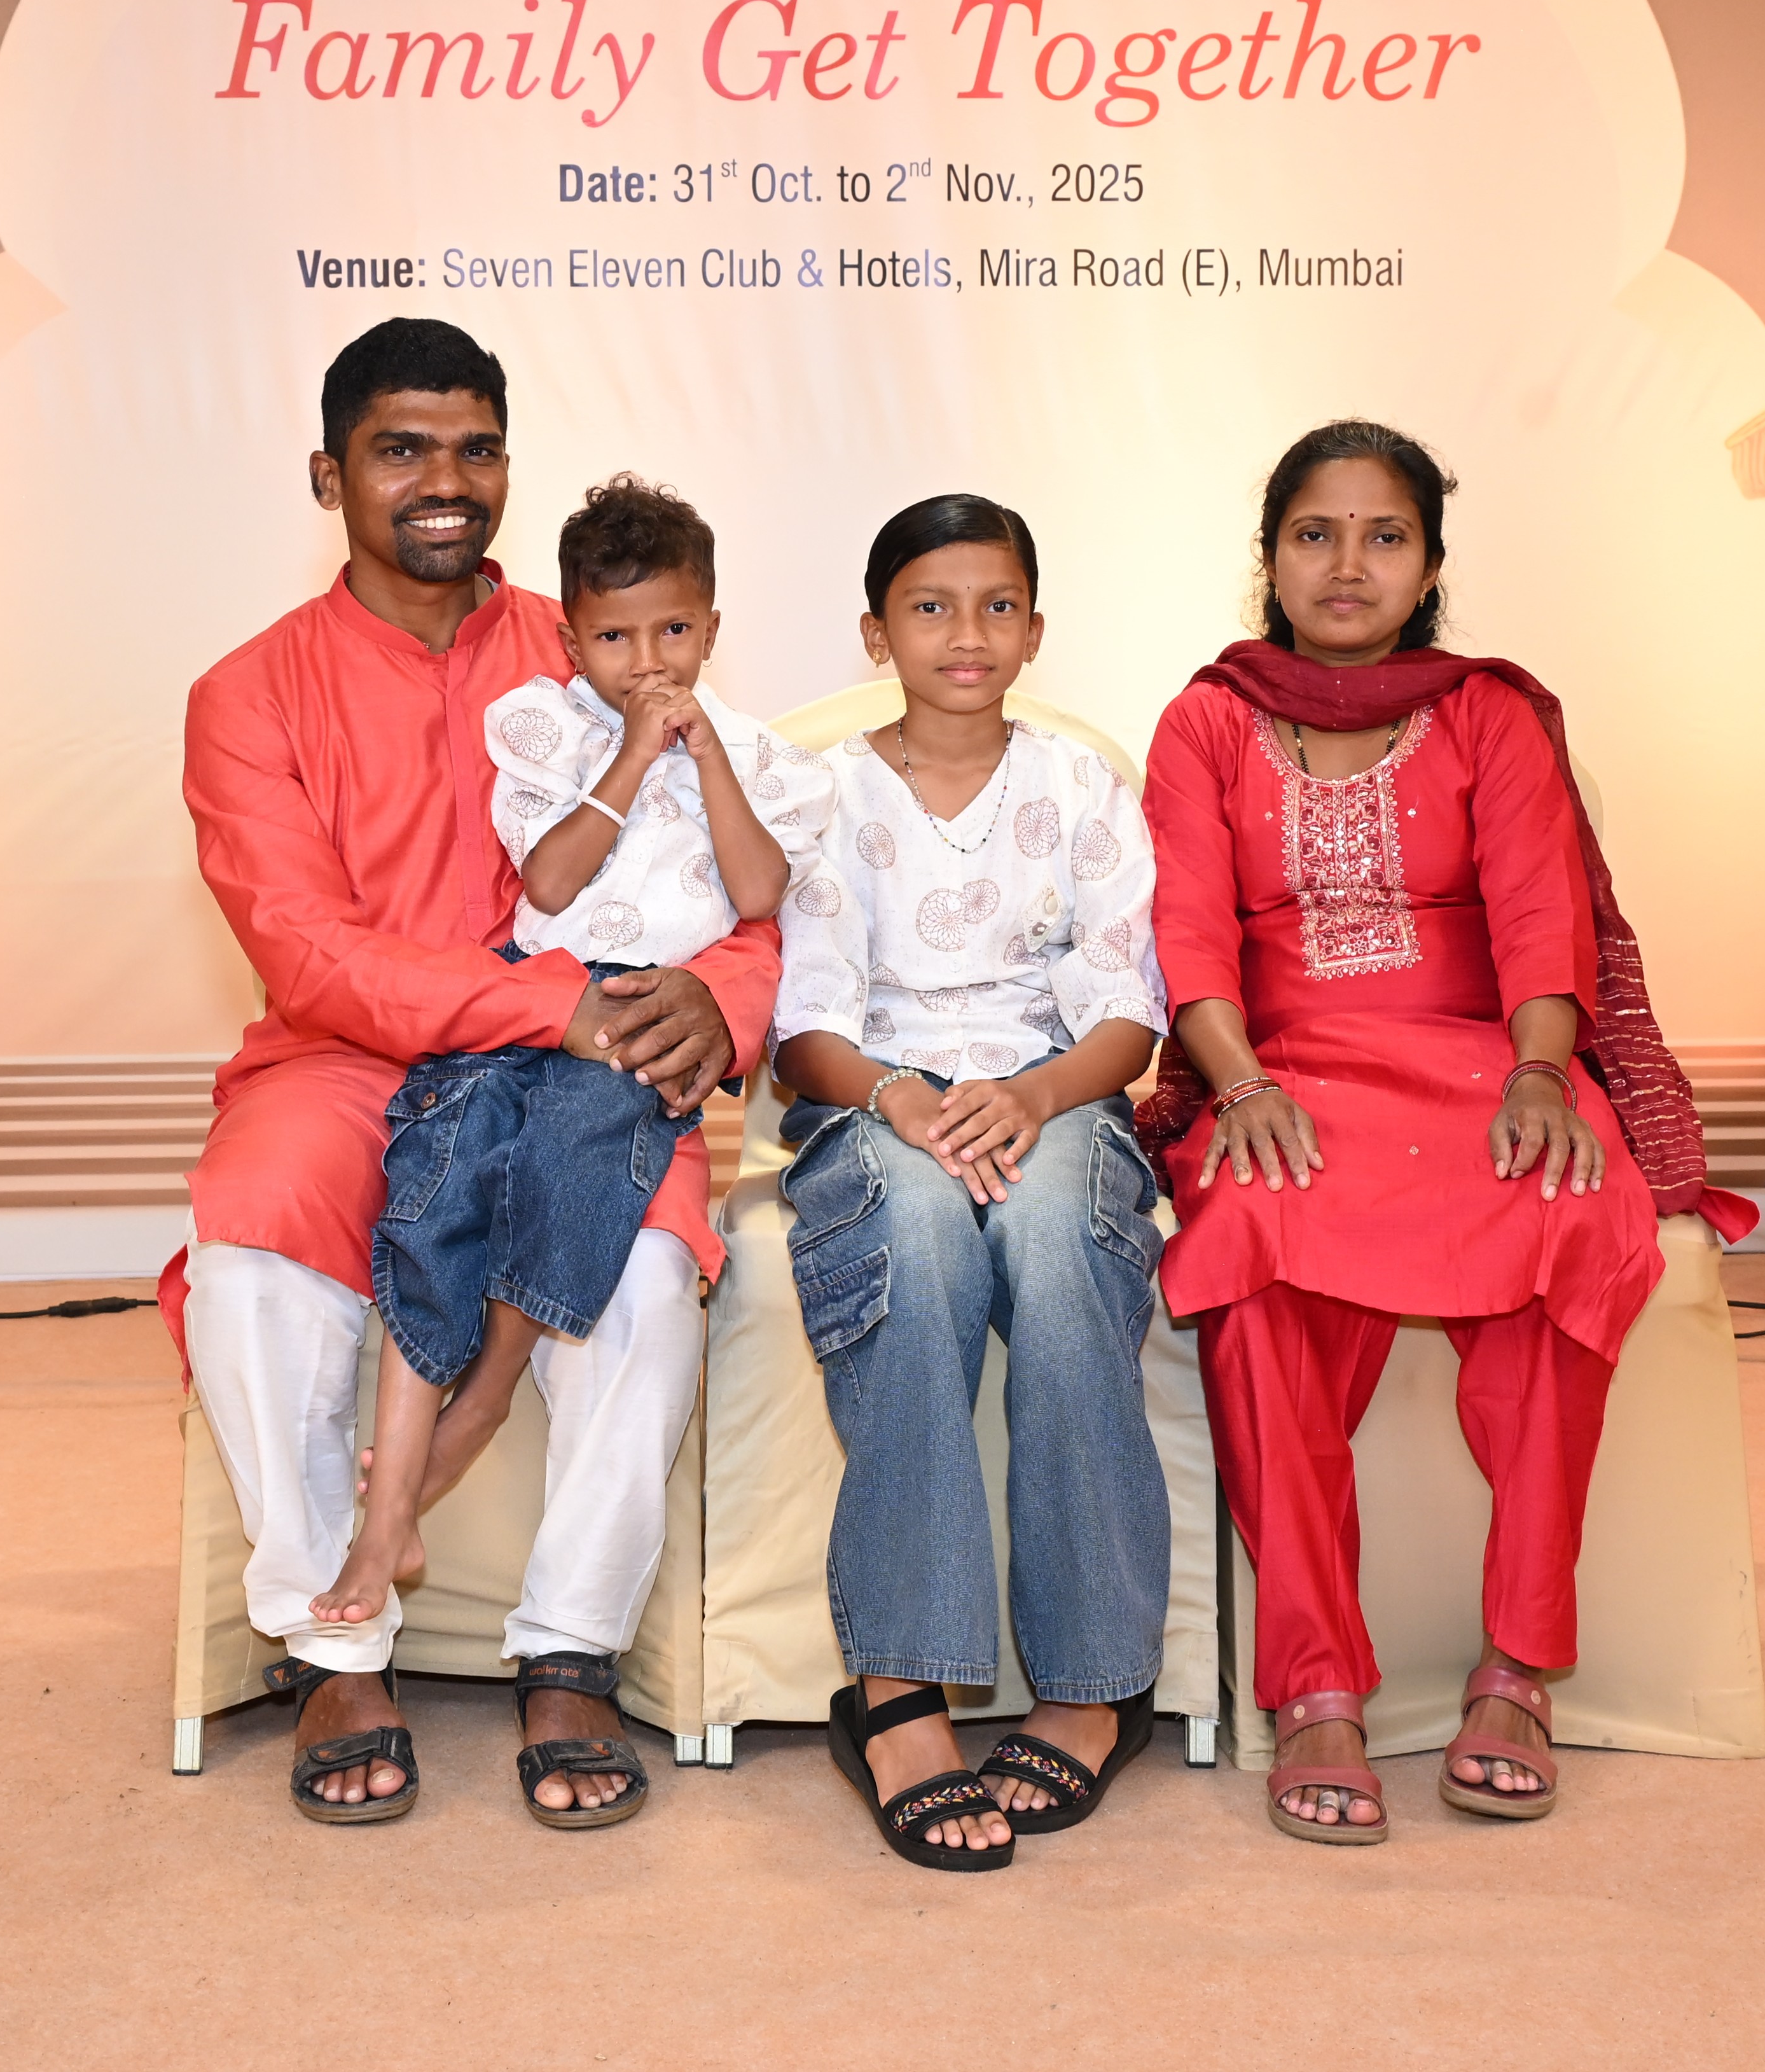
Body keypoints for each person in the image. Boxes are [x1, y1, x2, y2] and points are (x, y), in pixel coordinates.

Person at [169, 319, 782, 1828]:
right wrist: (548, 1007)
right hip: (347, 1063)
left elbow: (748, 884)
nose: (445, 480)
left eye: (476, 448)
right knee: (251, 1246)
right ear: (330, 477)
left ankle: (569, 1650)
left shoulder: (602, 643)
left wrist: (717, 1006)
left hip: (594, 1059)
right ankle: (336, 1640)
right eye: (401, 449)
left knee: (645, 1278)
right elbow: (311, 954)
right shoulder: (250, 695)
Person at [1139, 419, 1752, 1847]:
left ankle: (1517, 1669)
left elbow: (1540, 910)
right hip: (1282, 1072)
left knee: (1564, 1209)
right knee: (1248, 1233)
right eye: (1315, 534)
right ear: (1271, 558)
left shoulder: (1488, 715)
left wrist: (1544, 1074)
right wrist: (1238, 1087)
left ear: (1428, 566)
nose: (1348, 565)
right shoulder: (1208, 721)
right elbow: (1188, 932)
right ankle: (1315, 1687)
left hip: (1487, 1067)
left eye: (1385, 536)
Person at [310, 481, 830, 1740]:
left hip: (638, 1019)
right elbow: (545, 883)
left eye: (673, 633)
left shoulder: (759, 755)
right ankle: (391, 1512)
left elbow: (761, 894)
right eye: (613, 637)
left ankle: (484, 1399)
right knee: (435, 1183)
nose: (646, 663)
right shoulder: (543, 729)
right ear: (570, 637)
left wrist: (705, 759)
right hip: (531, 1002)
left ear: (712, 629)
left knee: (567, 1174)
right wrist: (629, 756)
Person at [772, 494, 1170, 1872]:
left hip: (1049, 1093)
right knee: (923, 1240)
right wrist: (901, 1096)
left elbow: (1127, 1015)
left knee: (1059, 1249)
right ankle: (897, 1691)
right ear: (875, 632)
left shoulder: (1081, 789)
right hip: (879, 1099)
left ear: (1036, 631)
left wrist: (1036, 1096)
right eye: (931, 607)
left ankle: (1092, 1686)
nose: (967, 633)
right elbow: (804, 1025)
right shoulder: (820, 795)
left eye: (998, 606)